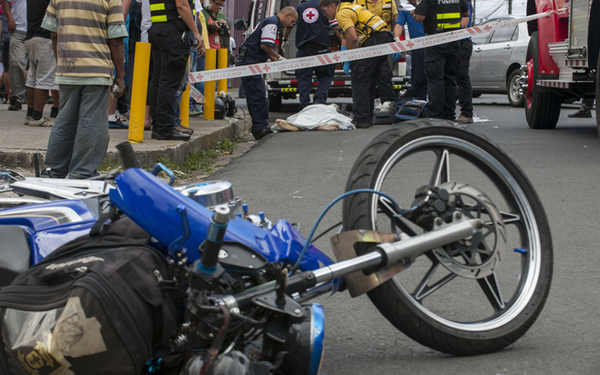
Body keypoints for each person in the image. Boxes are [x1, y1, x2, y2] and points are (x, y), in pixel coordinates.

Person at [41, 0, 127, 179]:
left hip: (67, 68)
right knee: (93, 122)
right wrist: (120, 75)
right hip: (96, 69)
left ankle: (52, 171)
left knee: (64, 121)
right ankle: (82, 173)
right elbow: (116, 40)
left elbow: (54, 34)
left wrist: (61, 64)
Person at [321, 0, 393, 128]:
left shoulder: (342, 13)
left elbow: (352, 37)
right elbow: (347, 36)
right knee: (369, 81)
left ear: (331, 5)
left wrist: (349, 58)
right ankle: (367, 116)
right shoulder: (351, 7)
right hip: (383, 38)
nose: (324, 14)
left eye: (324, 10)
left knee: (359, 80)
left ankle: (362, 119)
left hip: (373, 41)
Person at [147, 0, 205, 141]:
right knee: (169, 82)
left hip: (158, 31)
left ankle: (159, 126)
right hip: (173, 33)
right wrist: (196, 33)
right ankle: (166, 128)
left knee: (158, 80)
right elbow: (182, 5)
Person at [237, 6, 298, 140]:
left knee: (256, 96)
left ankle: (260, 127)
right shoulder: (272, 23)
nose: (291, 25)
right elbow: (265, 45)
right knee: (258, 97)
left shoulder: (270, 21)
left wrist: (274, 58)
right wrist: (278, 57)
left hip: (250, 60)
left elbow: (263, 47)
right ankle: (260, 129)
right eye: (292, 21)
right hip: (250, 62)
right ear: (287, 14)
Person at [413, 0, 469, 120]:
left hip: (436, 40)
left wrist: (414, 12)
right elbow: (466, 13)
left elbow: (419, 17)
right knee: (450, 78)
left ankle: (435, 115)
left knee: (435, 78)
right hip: (454, 40)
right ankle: (449, 114)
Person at [284, 0, 337, 111]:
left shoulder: (299, 8)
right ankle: (319, 101)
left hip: (304, 50)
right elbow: (335, 27)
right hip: (321, 49)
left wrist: (285, 39)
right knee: (326, 76)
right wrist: (343, 45)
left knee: (304, 79)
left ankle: (304, 106)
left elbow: (289, 26)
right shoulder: (324, 7)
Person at [353, 0, 398, 106]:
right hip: (365, 44)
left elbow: (395, 22)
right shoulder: (358, 2)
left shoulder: (389, 1)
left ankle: (389, 105)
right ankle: (367, 108)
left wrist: (396, 40)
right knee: (366, 77)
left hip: (383, 42)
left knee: (384, 74)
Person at [23, 0, 59, 127]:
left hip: (31, 36)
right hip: (45, 37)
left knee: (32, 78)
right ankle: (37, 116)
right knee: (44, 79)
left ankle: (30, 113)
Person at [394, 0, 426, 100]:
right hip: (417, 47)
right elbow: (399, 24)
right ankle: (420, 101)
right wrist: (397, 40)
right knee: (418, 77)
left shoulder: (428, 4)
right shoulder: (405, 8)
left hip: (433, 44)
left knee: (434, 75)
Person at [0, 0, 27, 111]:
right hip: (19, 30)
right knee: (16, 63)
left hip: (39, 31)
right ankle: (16, 97)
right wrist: (10, 19)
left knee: (40, 67)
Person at [454, 0, 473, 124]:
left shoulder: (465, 4)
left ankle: (466, 113)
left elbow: (464, 22)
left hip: (462, 43)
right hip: (452, 42)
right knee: (450, 78)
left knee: (462, 77)